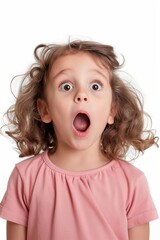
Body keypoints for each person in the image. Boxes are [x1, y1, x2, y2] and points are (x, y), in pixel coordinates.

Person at [0, 40, 158, 240]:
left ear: (112, 110)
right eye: (66, 86)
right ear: (45, 110)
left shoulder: (132, 182)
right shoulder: (25, 178)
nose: (81, 95)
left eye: (95, 85)